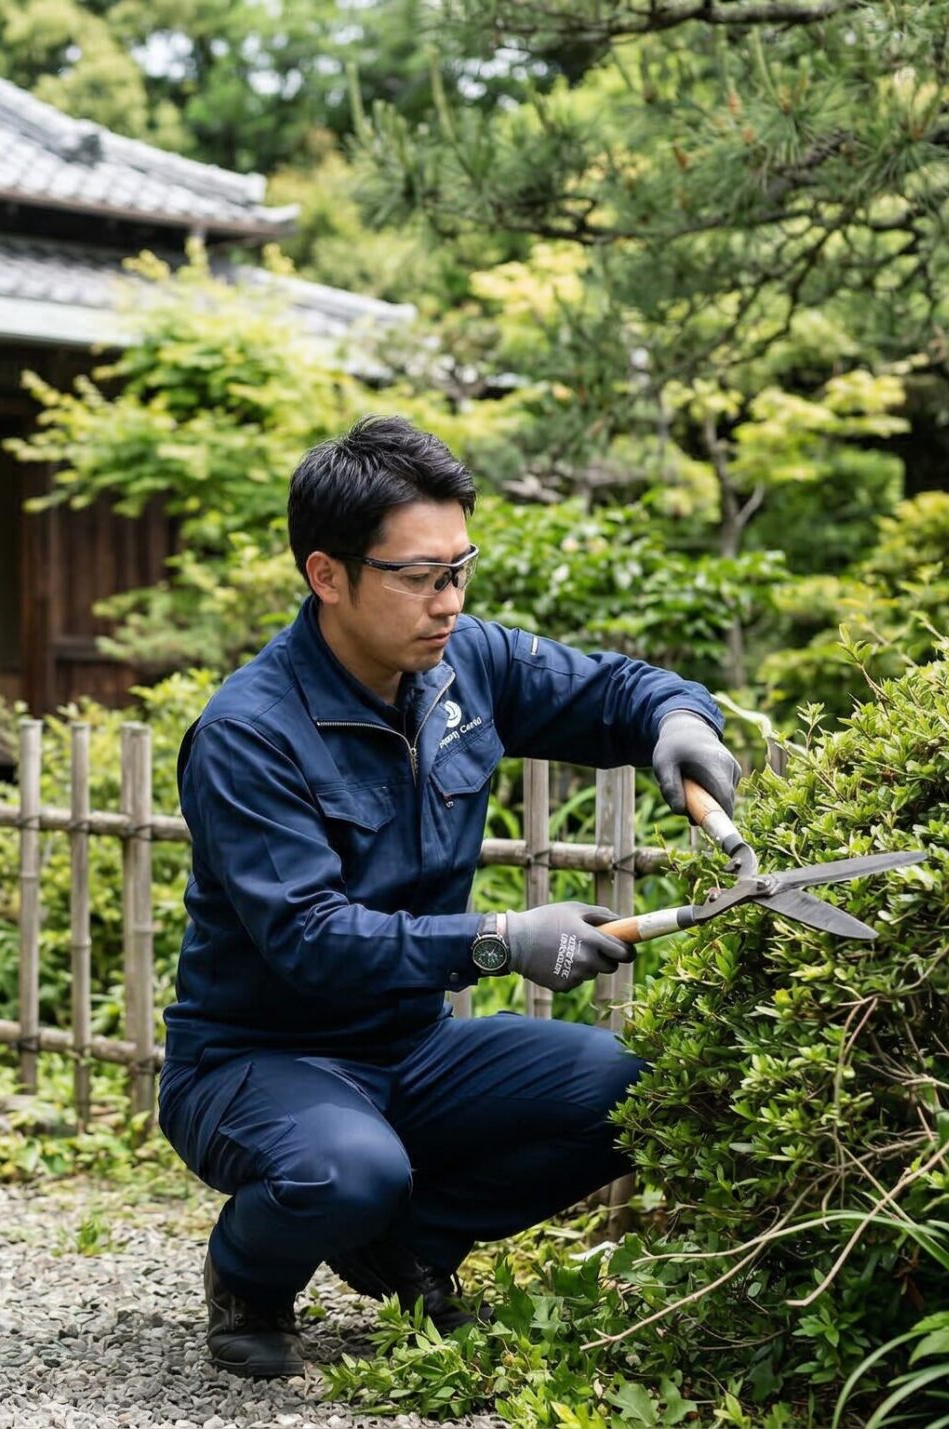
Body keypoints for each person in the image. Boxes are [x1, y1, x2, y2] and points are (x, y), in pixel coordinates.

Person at [159, 415, 743, 1378]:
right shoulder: (247, 734)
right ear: (328, 574)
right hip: (256, 1061)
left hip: (410, 1048)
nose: (448, 601)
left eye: (459, 569)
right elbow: (308, 936)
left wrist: (677, 722)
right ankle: (248, 1278)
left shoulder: (462, 664)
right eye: (420, 577)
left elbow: (617, 690)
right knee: (348, 1168)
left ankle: (402, 1243)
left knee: (627, 1085)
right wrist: (500, 937)